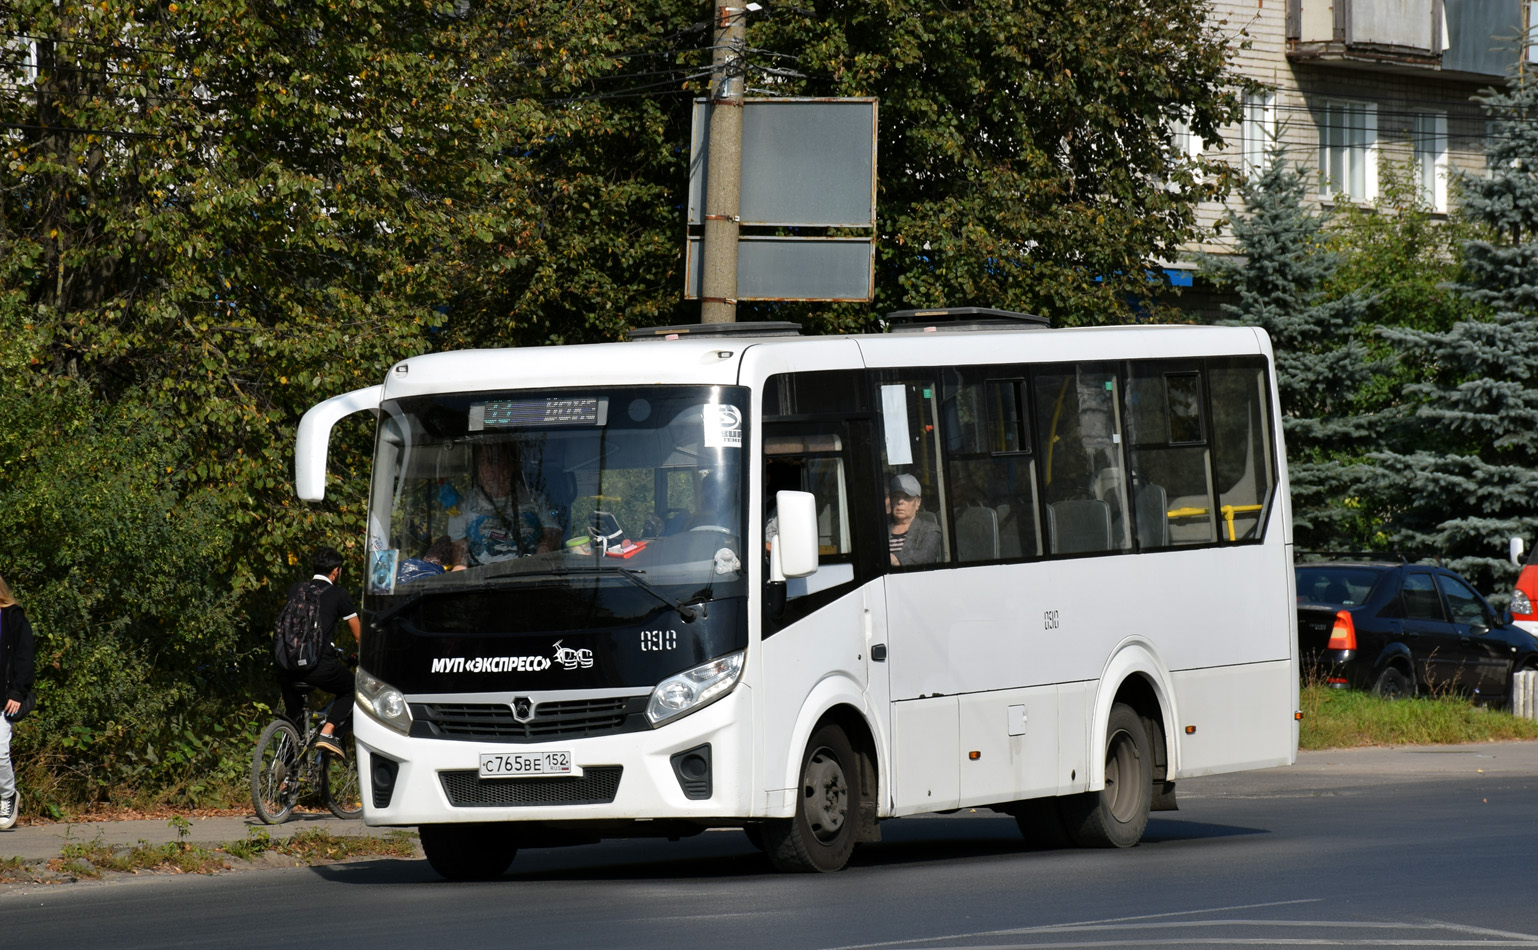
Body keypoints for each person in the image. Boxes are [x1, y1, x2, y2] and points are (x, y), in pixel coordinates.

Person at [277, 547, 360, 759]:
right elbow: (359, 636)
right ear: (336, 571)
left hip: (286, 666)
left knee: (293, 719)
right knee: (353, 688)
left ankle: (284, 781)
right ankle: (327, 731)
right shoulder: (339, 594)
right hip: (318, 666)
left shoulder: (296, 589)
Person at [449, 442, 562, 569]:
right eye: (481, 462)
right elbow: (460, 559)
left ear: (510, 466)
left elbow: (553, 532)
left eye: (494, 461)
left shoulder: (534, 499)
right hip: (481, 580)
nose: (487, 468)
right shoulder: (464, 505)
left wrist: (539, 561)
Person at [0, 574, 35, 829]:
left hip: (4, 698)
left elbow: (24, 655)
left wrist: (17, 692)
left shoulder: (12, 616)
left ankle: (7, 796)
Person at [888, 473, 941, 566]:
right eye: (896, 496)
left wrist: (895, 560)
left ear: (918, 503)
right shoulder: (880, 529)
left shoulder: (930, 530)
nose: (900, 501)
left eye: (906, 497)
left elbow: (925, 557)